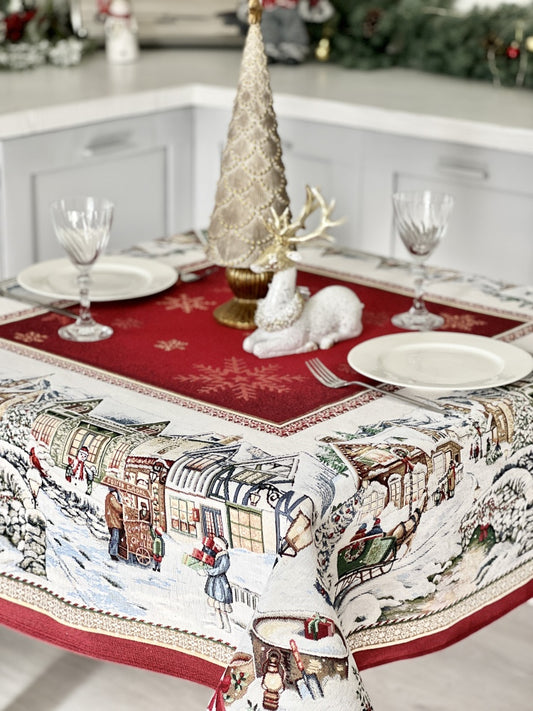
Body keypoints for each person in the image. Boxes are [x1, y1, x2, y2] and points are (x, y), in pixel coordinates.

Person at [204, 536, 233, 631]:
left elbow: (221, 569)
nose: (216, 546)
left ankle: (227, 625)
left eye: (218, 545)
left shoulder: (224, 556)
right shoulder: (216, 555)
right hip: (214, 582)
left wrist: (210, 571)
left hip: (220, 582)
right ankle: (219, 623)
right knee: (216, 605)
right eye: (215, 544)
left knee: (222, 605)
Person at [104, 487, 123, 561]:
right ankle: (113, 553)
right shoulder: (112, 497)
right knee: (115, 537)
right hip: (113, 520)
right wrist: (123, 508)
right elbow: (118, 508)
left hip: (113, 519)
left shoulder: (110, 496)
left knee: (114, 536)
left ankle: (113, 551)